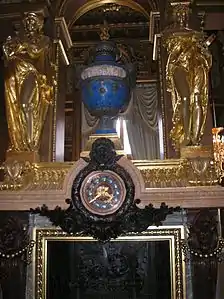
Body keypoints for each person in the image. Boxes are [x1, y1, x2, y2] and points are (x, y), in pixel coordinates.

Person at [3, 12, 55, 152]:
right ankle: (18, 142)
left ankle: (30, 142)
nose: (30, 25)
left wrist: (21, 46)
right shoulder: (18, 39)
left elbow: (35, 51)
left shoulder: (43, 39)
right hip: (15, 72)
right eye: (27, 22)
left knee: (26, 104)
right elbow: (8, 55)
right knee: (15, 106)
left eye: (33, 22)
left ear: (39, 24)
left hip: (32, 72)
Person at [165, 31, 212, 149]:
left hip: (197, 68)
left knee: (198, 100)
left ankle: (195, 137)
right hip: (181, 68)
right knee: (185, 98)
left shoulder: (199, 49)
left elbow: (208, 61)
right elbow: (171, 60)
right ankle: (186, 135)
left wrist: (204, 52)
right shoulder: (180, 42)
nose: (182, 16)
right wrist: (168, 77)